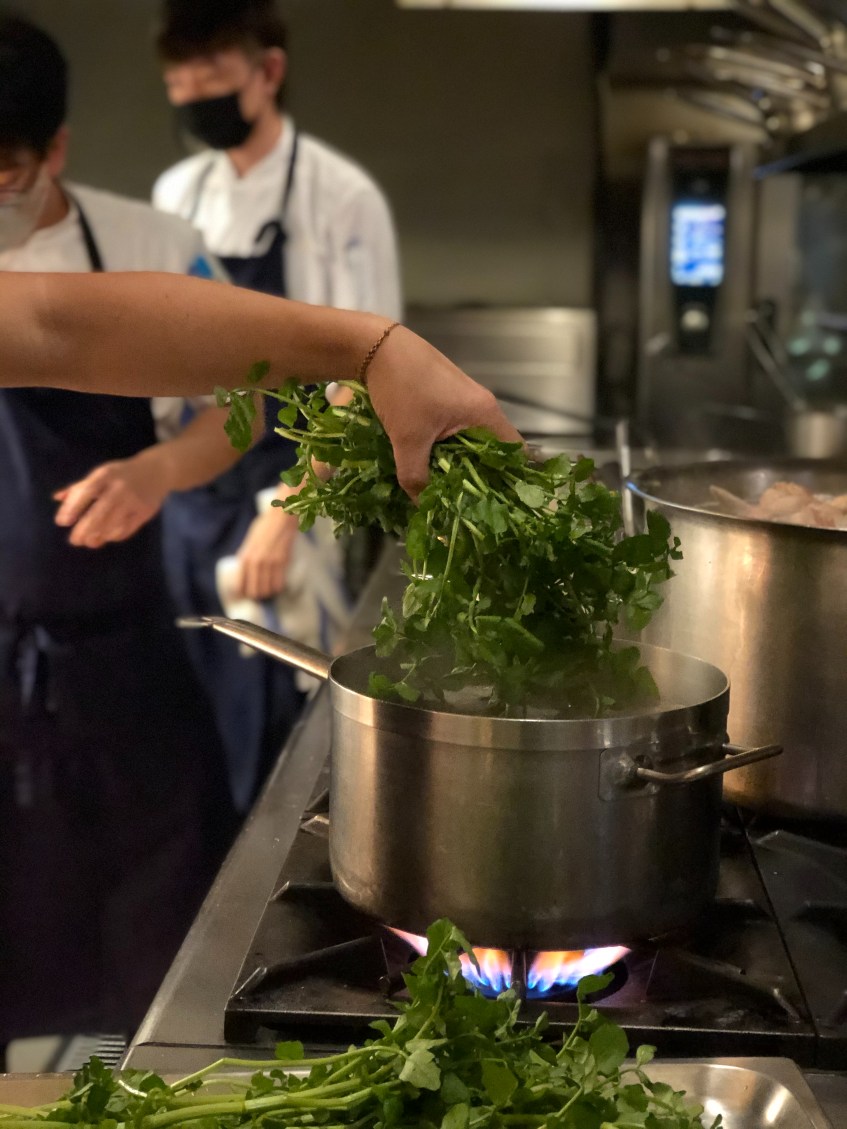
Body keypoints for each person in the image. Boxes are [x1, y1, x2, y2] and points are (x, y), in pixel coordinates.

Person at [0, 15, 243, 1051]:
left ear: (55, 151)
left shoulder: (146, 247)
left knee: (159, 951)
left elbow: (244, 402)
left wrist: (158, 467)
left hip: (123, 656)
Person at [150, 0, 404, 812]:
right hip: (193, 491)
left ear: (269, 71)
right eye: (178, 83)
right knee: (192, 716)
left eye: (212, 78)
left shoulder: (341, 196)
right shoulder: (176, 190)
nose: (193, 97)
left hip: (293, 484)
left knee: (276, 719)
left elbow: (364, 377)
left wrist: (285, 512)